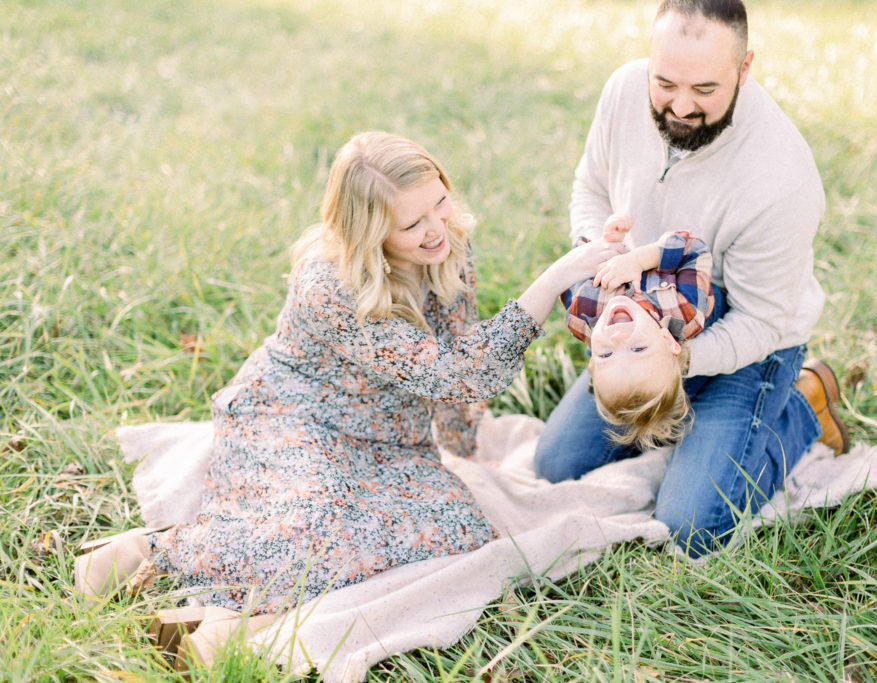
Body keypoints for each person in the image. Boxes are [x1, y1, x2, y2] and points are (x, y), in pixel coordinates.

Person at [74, 131, 617, 617]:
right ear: (369, 230)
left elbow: (459, 346)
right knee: (312, 528)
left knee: (463, 530)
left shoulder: (448, 243)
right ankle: (159, 552)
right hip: (295, 417)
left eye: (440, 203)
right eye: (412, 223)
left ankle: (233, 550)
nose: (437, 229)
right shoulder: (329, 287)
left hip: (393, 440)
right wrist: (552, 282)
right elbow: (457, 374)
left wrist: (463, 445)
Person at [534, 0, 850, 558]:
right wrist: (598, 248)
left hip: (751, 338)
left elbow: (761, 321)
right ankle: (700, 426)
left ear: (744, 69)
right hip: (641, 305)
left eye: (705, 89)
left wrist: (676, 361)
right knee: (556, 465)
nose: (681, 106)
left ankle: (803, 406)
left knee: (691, 525)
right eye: (666, 83)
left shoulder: (782, 179)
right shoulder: (623, 89)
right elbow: (590, 187)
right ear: (649, 61)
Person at [561, 212, 725, 450]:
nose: (617, 337)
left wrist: (608, 243)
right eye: (637, 348)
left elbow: (577, 261)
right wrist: (639, 260)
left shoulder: (581, 314)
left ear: (591, 362)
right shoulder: (685, 310)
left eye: (606, 354)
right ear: (668, 340)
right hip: (708, 301)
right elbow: (694, 249)